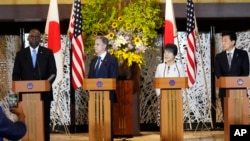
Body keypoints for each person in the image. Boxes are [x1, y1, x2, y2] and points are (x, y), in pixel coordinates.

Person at [12, 28, 57, 141]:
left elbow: (53, 72)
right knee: (27, 120)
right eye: (32, 37)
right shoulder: (21, 54)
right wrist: (18, 86)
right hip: (26, 96)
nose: (34, 39)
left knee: (43, 121)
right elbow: (16, 74)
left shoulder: (48, 53)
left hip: (44, 95)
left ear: (40, 39)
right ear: (28, 38)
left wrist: (46, 83)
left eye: (37, 37)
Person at [87, 35, 118, 140]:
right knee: (96, 120)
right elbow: (90, 78)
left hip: (107, 97)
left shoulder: (111, 60)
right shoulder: (93, 61)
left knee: (107, 121)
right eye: (95, 44)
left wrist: (103, 81)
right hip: (94, 97)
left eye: (97, 44)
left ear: (104, 46)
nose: (95, 47)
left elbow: (114, 78)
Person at [215, 31, 249, 120]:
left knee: (239, 116)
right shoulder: (219, 57)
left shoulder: (243, 54)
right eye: (222, 41)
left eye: (225, 40)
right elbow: (218, 73)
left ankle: (238, 133)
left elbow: (245, 72)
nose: (223, 43)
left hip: (239, 91)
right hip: (224, 92)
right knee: (227, 116)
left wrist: (234, 82)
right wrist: (227, 82)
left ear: (233, 42)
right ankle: (228, 133)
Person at [154, 43, 185, 126]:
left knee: (174, 120)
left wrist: (181, 96)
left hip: (176, 98)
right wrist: (159, 94)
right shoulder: (160, 67)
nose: (166, 55)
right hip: (163, 97)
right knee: (164, 120)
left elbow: (183, 82)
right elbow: (157, 83)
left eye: (169, 52)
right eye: (165, 52)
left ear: (174, 54)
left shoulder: (179, 67)